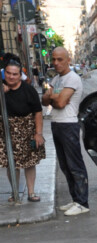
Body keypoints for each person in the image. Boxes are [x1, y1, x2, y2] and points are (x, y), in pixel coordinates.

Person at [43, 47, 87, 214]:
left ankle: (83, 203)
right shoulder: (56, 79)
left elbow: (60, 104)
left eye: (60, 59)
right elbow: (44, 100)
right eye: (54, 59)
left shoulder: (72, 79)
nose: (56, 63)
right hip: (57, 123)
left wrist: (53, 97)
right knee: (65, 166)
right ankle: (75, 199)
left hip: (69, 124)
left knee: (75, 165)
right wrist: (54, 97)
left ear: (68, 60)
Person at [0, 61, 44, 205]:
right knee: (11, 163)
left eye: (15, 74)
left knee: (29, 162)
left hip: (27, 130)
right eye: (8, 73)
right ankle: (15, 192)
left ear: (20, 75)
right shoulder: (1, 88)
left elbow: (38, 112)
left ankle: (31, 192)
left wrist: (38, 133)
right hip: (6, 131)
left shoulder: (28, 90)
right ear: (4, 73)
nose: (11, 77)